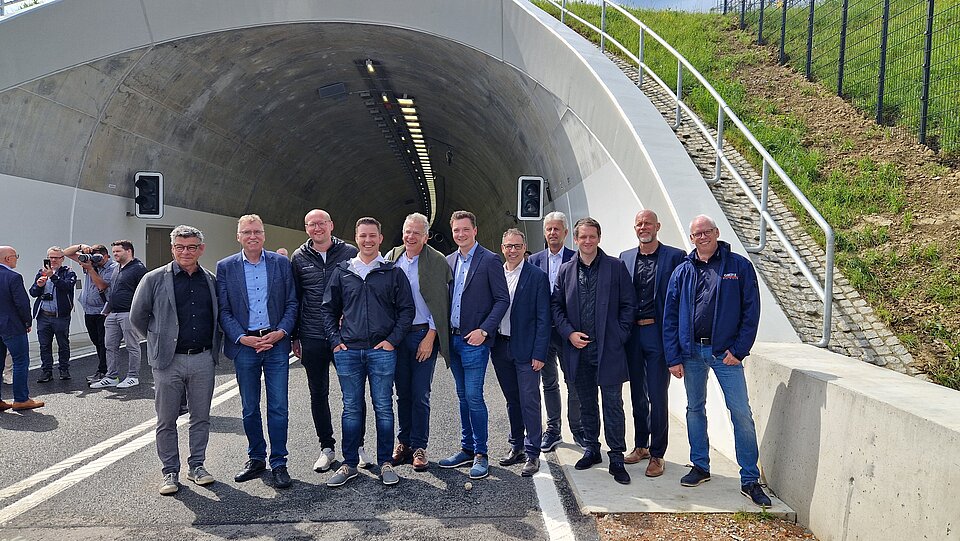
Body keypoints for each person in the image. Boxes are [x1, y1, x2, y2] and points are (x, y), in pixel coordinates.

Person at [663, 214, 771, 507]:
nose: (702, 237)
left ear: (716, 232)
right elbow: (670, 316)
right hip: (691, 354)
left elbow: (751, 312)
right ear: (691, 238)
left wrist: (739, 350)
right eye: (696, 234)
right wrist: (673, 356)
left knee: (741, 414)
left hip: (726, 355)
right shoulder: (682, 271)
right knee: (695, 409)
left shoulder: (739, 267)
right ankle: (700, 466)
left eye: (706, 232)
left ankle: (749, 479)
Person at [321, 217, 414, 487]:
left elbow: (406, 310)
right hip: (348, 351)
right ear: (356, 238)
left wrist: (392, 341)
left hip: (381, 351)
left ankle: (385, 462)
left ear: (381, 239)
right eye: (363, 236)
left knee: (383, 407)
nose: (368, 240)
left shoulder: (392, 272)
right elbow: (328, 309)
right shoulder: (343, 271)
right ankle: (349, 464)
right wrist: (335, 341)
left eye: (372, 236)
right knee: (351, 408)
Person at [130, 225, 222, 496]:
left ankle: (197, 466)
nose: (186, 252)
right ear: (173, 249)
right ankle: (170, 471)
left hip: (203, 358)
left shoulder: (211, 280)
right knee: (166, 419)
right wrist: (158, 340)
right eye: (180, 247)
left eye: (192, 247)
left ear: (200, 249)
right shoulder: (154, 279)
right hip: (168, 361)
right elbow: (137, 317)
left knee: (200, 417)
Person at [217, 214, 298, 489]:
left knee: (278, 406)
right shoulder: (226, 267)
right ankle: (256, 457)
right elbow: (224, 310)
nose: (253, 236)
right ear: (238, 236)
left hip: (276, 343)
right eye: (247, 232)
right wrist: (242, 338)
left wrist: (281, 332)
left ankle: (279, 462)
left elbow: (291, 303)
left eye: (257, 232)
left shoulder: (281, 263)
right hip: (246, 346)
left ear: (264, 235)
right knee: (250, 407)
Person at [551, 217, 634, 485]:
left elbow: (628, 306)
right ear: (575, 239)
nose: (587, 241)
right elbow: (556, 306)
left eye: (592, 237)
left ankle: (617, 456)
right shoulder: (565, 271)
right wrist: (569, 334)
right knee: (587, 402)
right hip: (578, 351)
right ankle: (592, 449)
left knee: (613, 405)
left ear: (599, 237)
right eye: (583, 237)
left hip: (608, 350)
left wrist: (618, 336)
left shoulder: (615, 267)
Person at [291, 209, 374, 473]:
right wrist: (294, 336)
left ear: (331, 225)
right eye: (312, 224)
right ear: (306, 228)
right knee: (319, 393)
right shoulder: (298, 257)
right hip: (312, 335)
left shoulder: (349, 253)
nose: (317, 228)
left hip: (345, 337)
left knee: (353, 395)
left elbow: (362, 292)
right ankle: (326, 448)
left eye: (322, 223)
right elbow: (294, 298)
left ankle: (358, 446)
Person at [438, 210, 509, 480]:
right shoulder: (449, 261)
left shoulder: (490, 260)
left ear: (475, 230)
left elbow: (502, 300)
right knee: (461, 395)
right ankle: (466, 448)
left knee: (474, 396)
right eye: (456, 230)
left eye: (465, 229)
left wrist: (484, 330)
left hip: (474, 341)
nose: (460, 234)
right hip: (453, 340)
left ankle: (481, 453)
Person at [618, 209, 685, 477]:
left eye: (647, 223)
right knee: (637, 395)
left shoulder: (675, 257)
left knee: (658, 395)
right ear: (635, 228)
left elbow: (682, 300)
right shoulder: (625, 258)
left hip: (659, 334)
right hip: (633, 335)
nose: (643, 227)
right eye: (639, 224)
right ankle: (641, 446)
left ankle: (658, 454)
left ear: (658, 226)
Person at [384, 212, 452, 471]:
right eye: (407, 231)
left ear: (426, 236)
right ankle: (404, 443)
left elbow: (440, 302)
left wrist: (431, 336)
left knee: (420, 393)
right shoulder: (393, 257)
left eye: (416, 233)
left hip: (424, 334)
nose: (410, 237)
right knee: (402, 393)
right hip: (398, 336)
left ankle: (420, 446)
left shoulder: (436, 260)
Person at [490, 228, 550, 477]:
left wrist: (540, 353)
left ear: (524, 248)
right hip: (501, 346)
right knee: (512, 399)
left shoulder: (536, 276)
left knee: (529, 400)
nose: (512, 250)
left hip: (526, 349)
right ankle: (516, 445)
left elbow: (543, 318)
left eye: (517, 246)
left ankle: (533, 452)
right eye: (508, 246)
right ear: (502, 248)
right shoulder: (495, 274)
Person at [528, 211, 581, 451]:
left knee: (573, 381)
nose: (552, 233)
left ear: (566, 233)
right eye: (548, 229)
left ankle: (578, 429)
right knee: (549, 382)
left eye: (557, 229)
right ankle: (554, 429)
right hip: (543, 333)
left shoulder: (577, 257)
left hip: (568, 331)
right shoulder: (534, 261)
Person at [90, 240, 148, 389]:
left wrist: (139, 313)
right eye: (114, 252)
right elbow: (114, 291)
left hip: (129, 314)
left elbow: (144, 294)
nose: (115, 254)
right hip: (113, 314)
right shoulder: (117, 268)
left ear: (128, 251)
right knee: (110, 346)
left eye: (118, 251)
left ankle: (132, 376)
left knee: (132, 346)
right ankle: (111, 376)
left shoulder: (139, 269)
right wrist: (107, 310)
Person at [64, 243, 118, 384]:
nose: (96, 261)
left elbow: (102, 285)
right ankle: (103, 369)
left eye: (99, 258)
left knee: (103, 343)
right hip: (89, 310)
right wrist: (81, 246)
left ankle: (104, 371)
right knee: (96, 341)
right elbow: (66, 253)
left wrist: (90, 269)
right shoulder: (90, 262)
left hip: (103, 310)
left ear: (106, 256)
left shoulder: (112, 267)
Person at [0, 246, 44, 411]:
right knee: (20, 361)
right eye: (15, 256)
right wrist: (27, 322)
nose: (16, 258)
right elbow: (22, 303)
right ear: (7, 259)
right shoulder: (13, 277)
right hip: (12, 325)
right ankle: (21, 399)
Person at [29, 246, 77, 382]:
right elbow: (33, 293)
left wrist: (53, 276)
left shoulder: (68, 272)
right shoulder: (41, 272)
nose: (53, 260)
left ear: (62, 259)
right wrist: (38, 285)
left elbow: (66, 287)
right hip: (43, 315)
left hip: (60, 315)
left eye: (56, 257)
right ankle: (47, 372)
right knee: (44, 345)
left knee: (63, 343)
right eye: (51, 257)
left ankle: (64, 369)